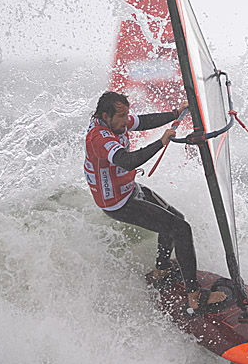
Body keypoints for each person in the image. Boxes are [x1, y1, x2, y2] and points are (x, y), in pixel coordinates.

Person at [84, 90, 226, 311]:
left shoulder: (117, 123)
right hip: (119, 204)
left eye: (125, 115)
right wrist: (160, 142)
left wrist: (175, 113)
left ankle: (161, 270)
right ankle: (195, 297)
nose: (125, 121)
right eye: (120, 117)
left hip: (130, 189)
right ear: (105, 115)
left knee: (177, 219)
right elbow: (127, 161)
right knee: (181, 230)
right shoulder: (99, 138)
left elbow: (143, 122)